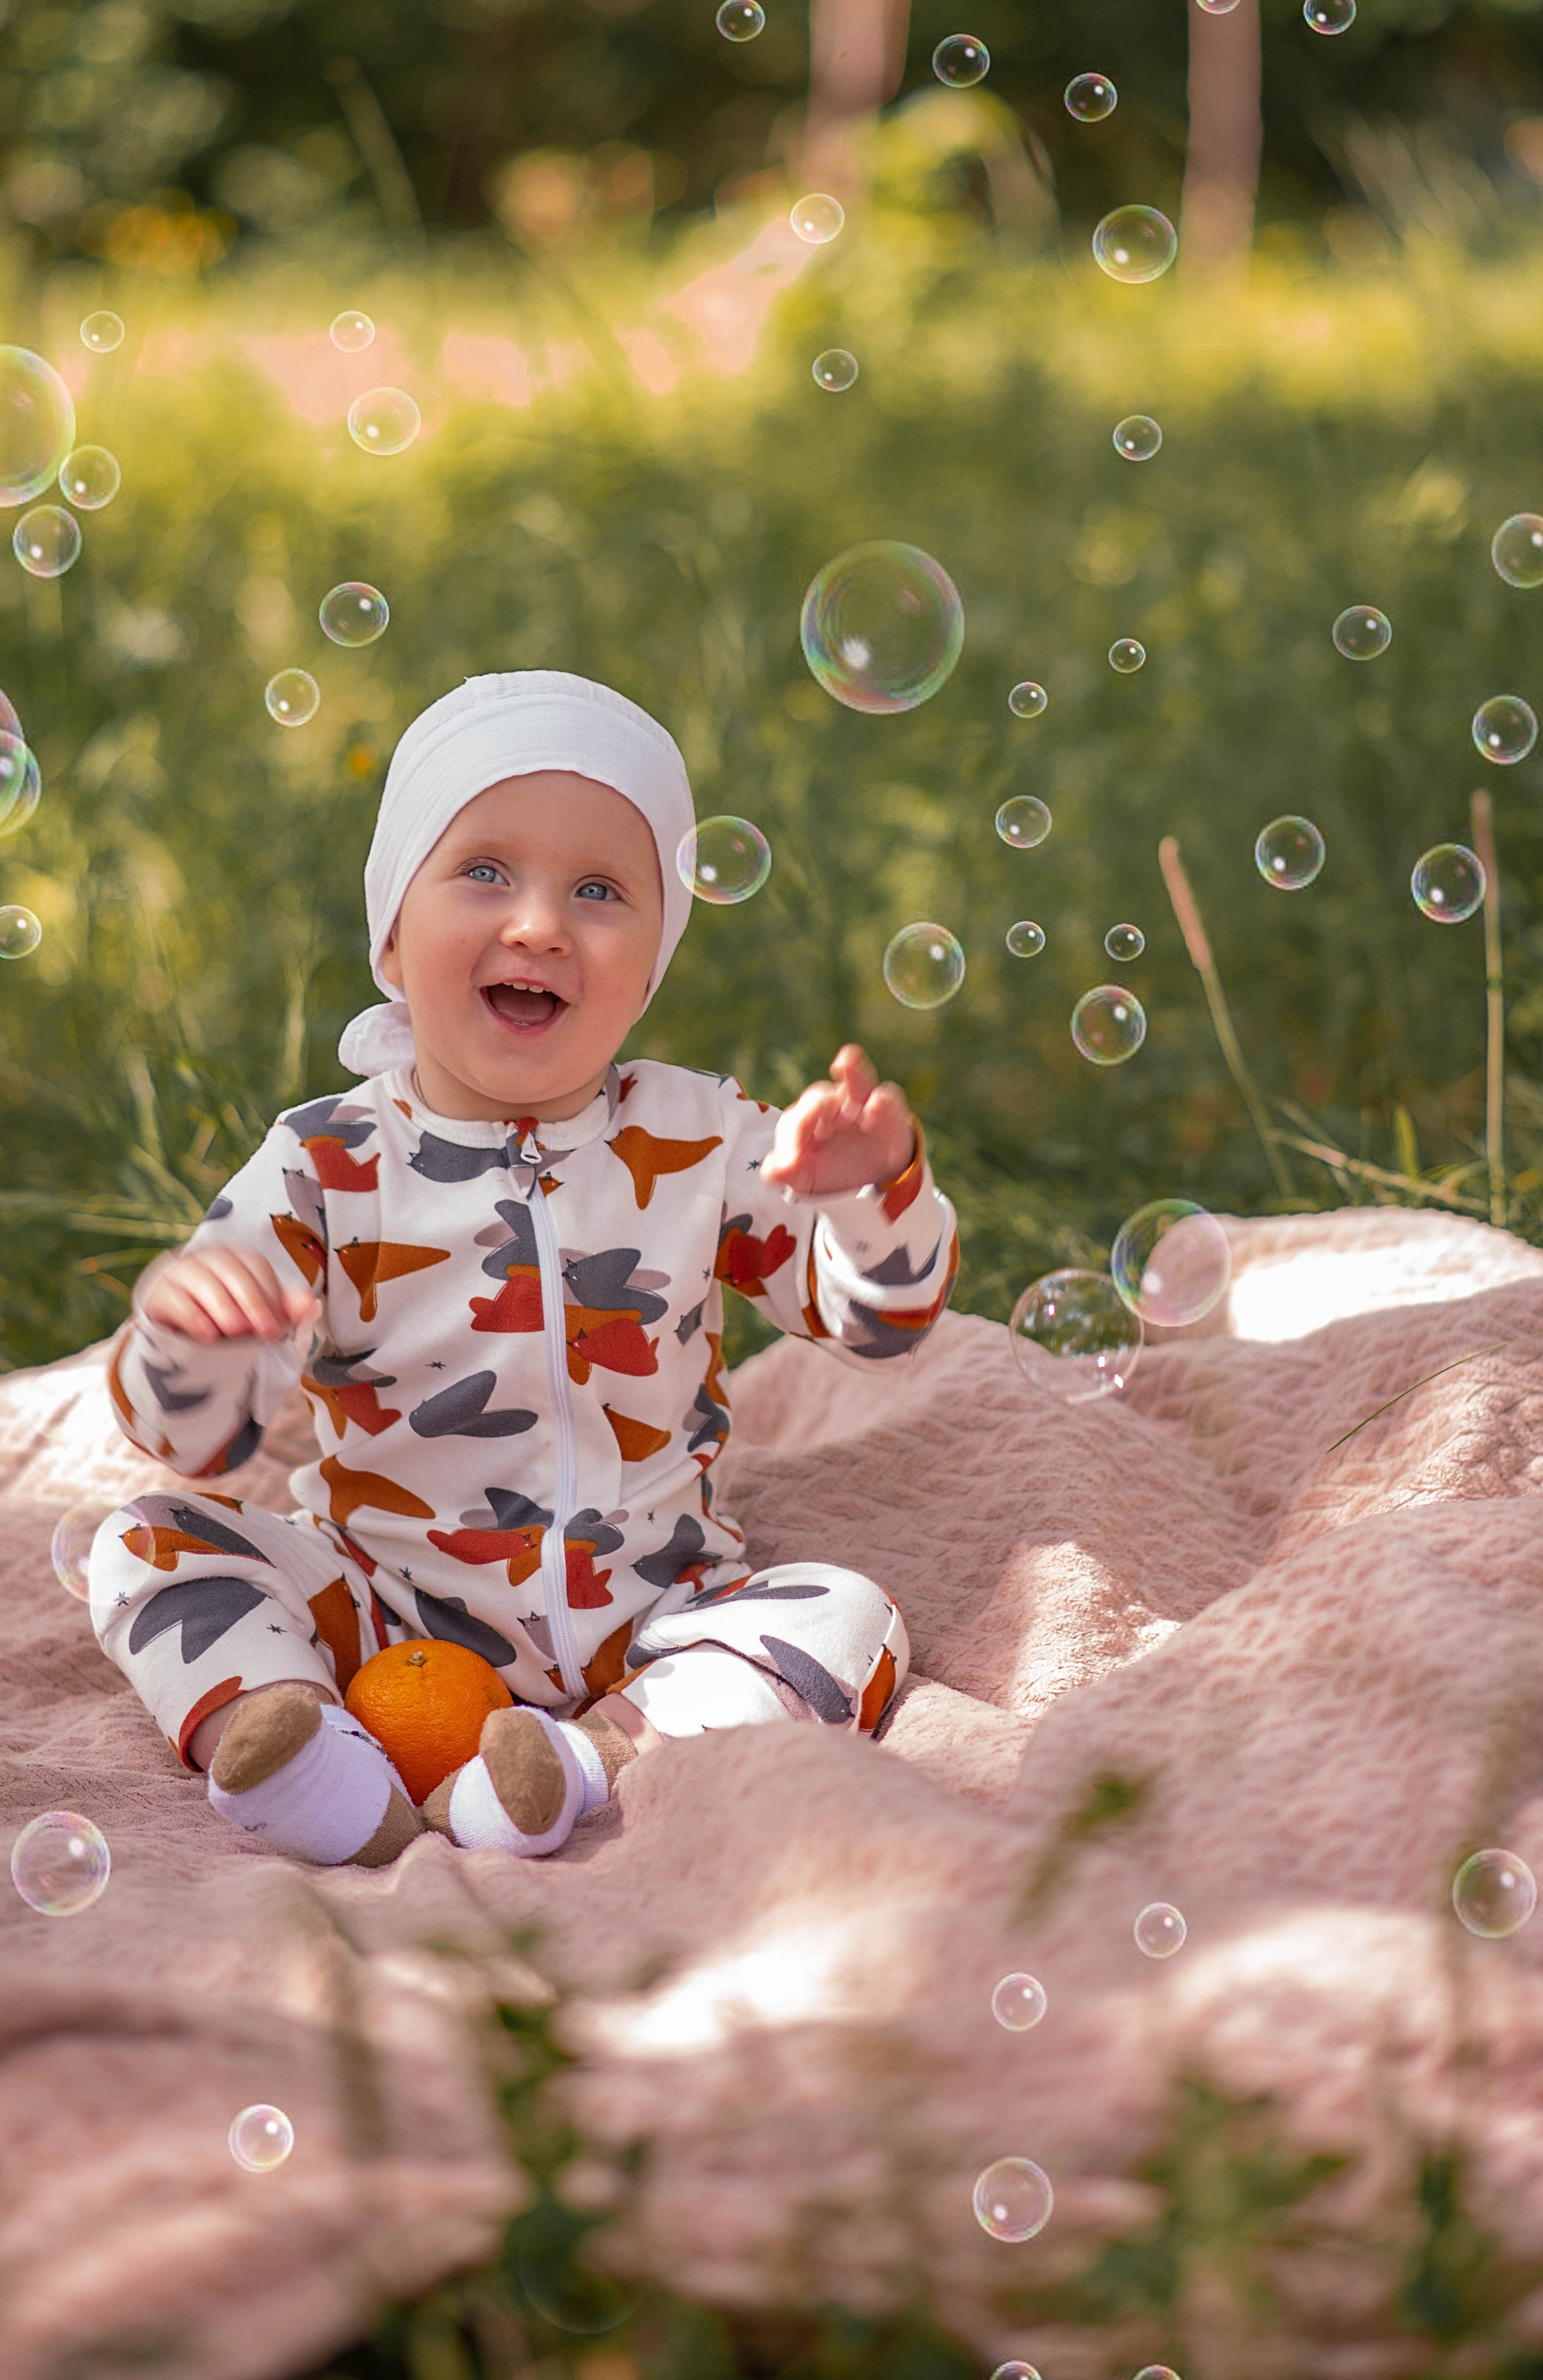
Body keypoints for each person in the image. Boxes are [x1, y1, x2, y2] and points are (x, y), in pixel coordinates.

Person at [90, 670, 958, 1866]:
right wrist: (190, 1341)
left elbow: (882, 1320)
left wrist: (869, 1193)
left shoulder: (703, 1138)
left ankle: (584, 1762)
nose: (542, 923)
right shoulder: (326, 1160)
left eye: (601, 889)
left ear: (653, 960)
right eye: (486, 871)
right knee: (147, 1542)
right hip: (380, 1606)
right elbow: (191, 1441)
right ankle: (298, 1752)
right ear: (393, 931)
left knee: (851, 1620)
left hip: (657, 1611)